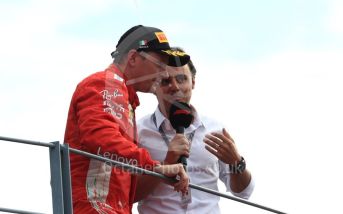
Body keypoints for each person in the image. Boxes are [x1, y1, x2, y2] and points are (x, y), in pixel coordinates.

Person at [64, 26, 191, 214]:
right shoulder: (107, 83)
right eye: (160, 65)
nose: (164, 74)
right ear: (133, 58)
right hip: (94, 208)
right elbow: (101, 139)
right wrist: (154, 166)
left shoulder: (123, 95)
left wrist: (156, 171)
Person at [135, 48, 255, 214]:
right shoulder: (138, 131)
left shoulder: (215, 130)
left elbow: (243, 192)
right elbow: (128, 193)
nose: (174, 87)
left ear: (193, 82)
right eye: (165, 81)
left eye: (182, 79)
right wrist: (166, 164)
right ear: (154, 86)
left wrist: (237, 163)